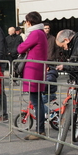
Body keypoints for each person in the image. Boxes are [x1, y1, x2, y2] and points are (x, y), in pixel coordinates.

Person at [16, 11, 48, 140]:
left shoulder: (35, 33)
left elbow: (20, 48)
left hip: (33, 71)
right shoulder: (41, 33)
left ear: (29, 22)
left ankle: (39, 131)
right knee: (38, 100)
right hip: (38, 70)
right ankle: (40, 129)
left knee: (36, 102)